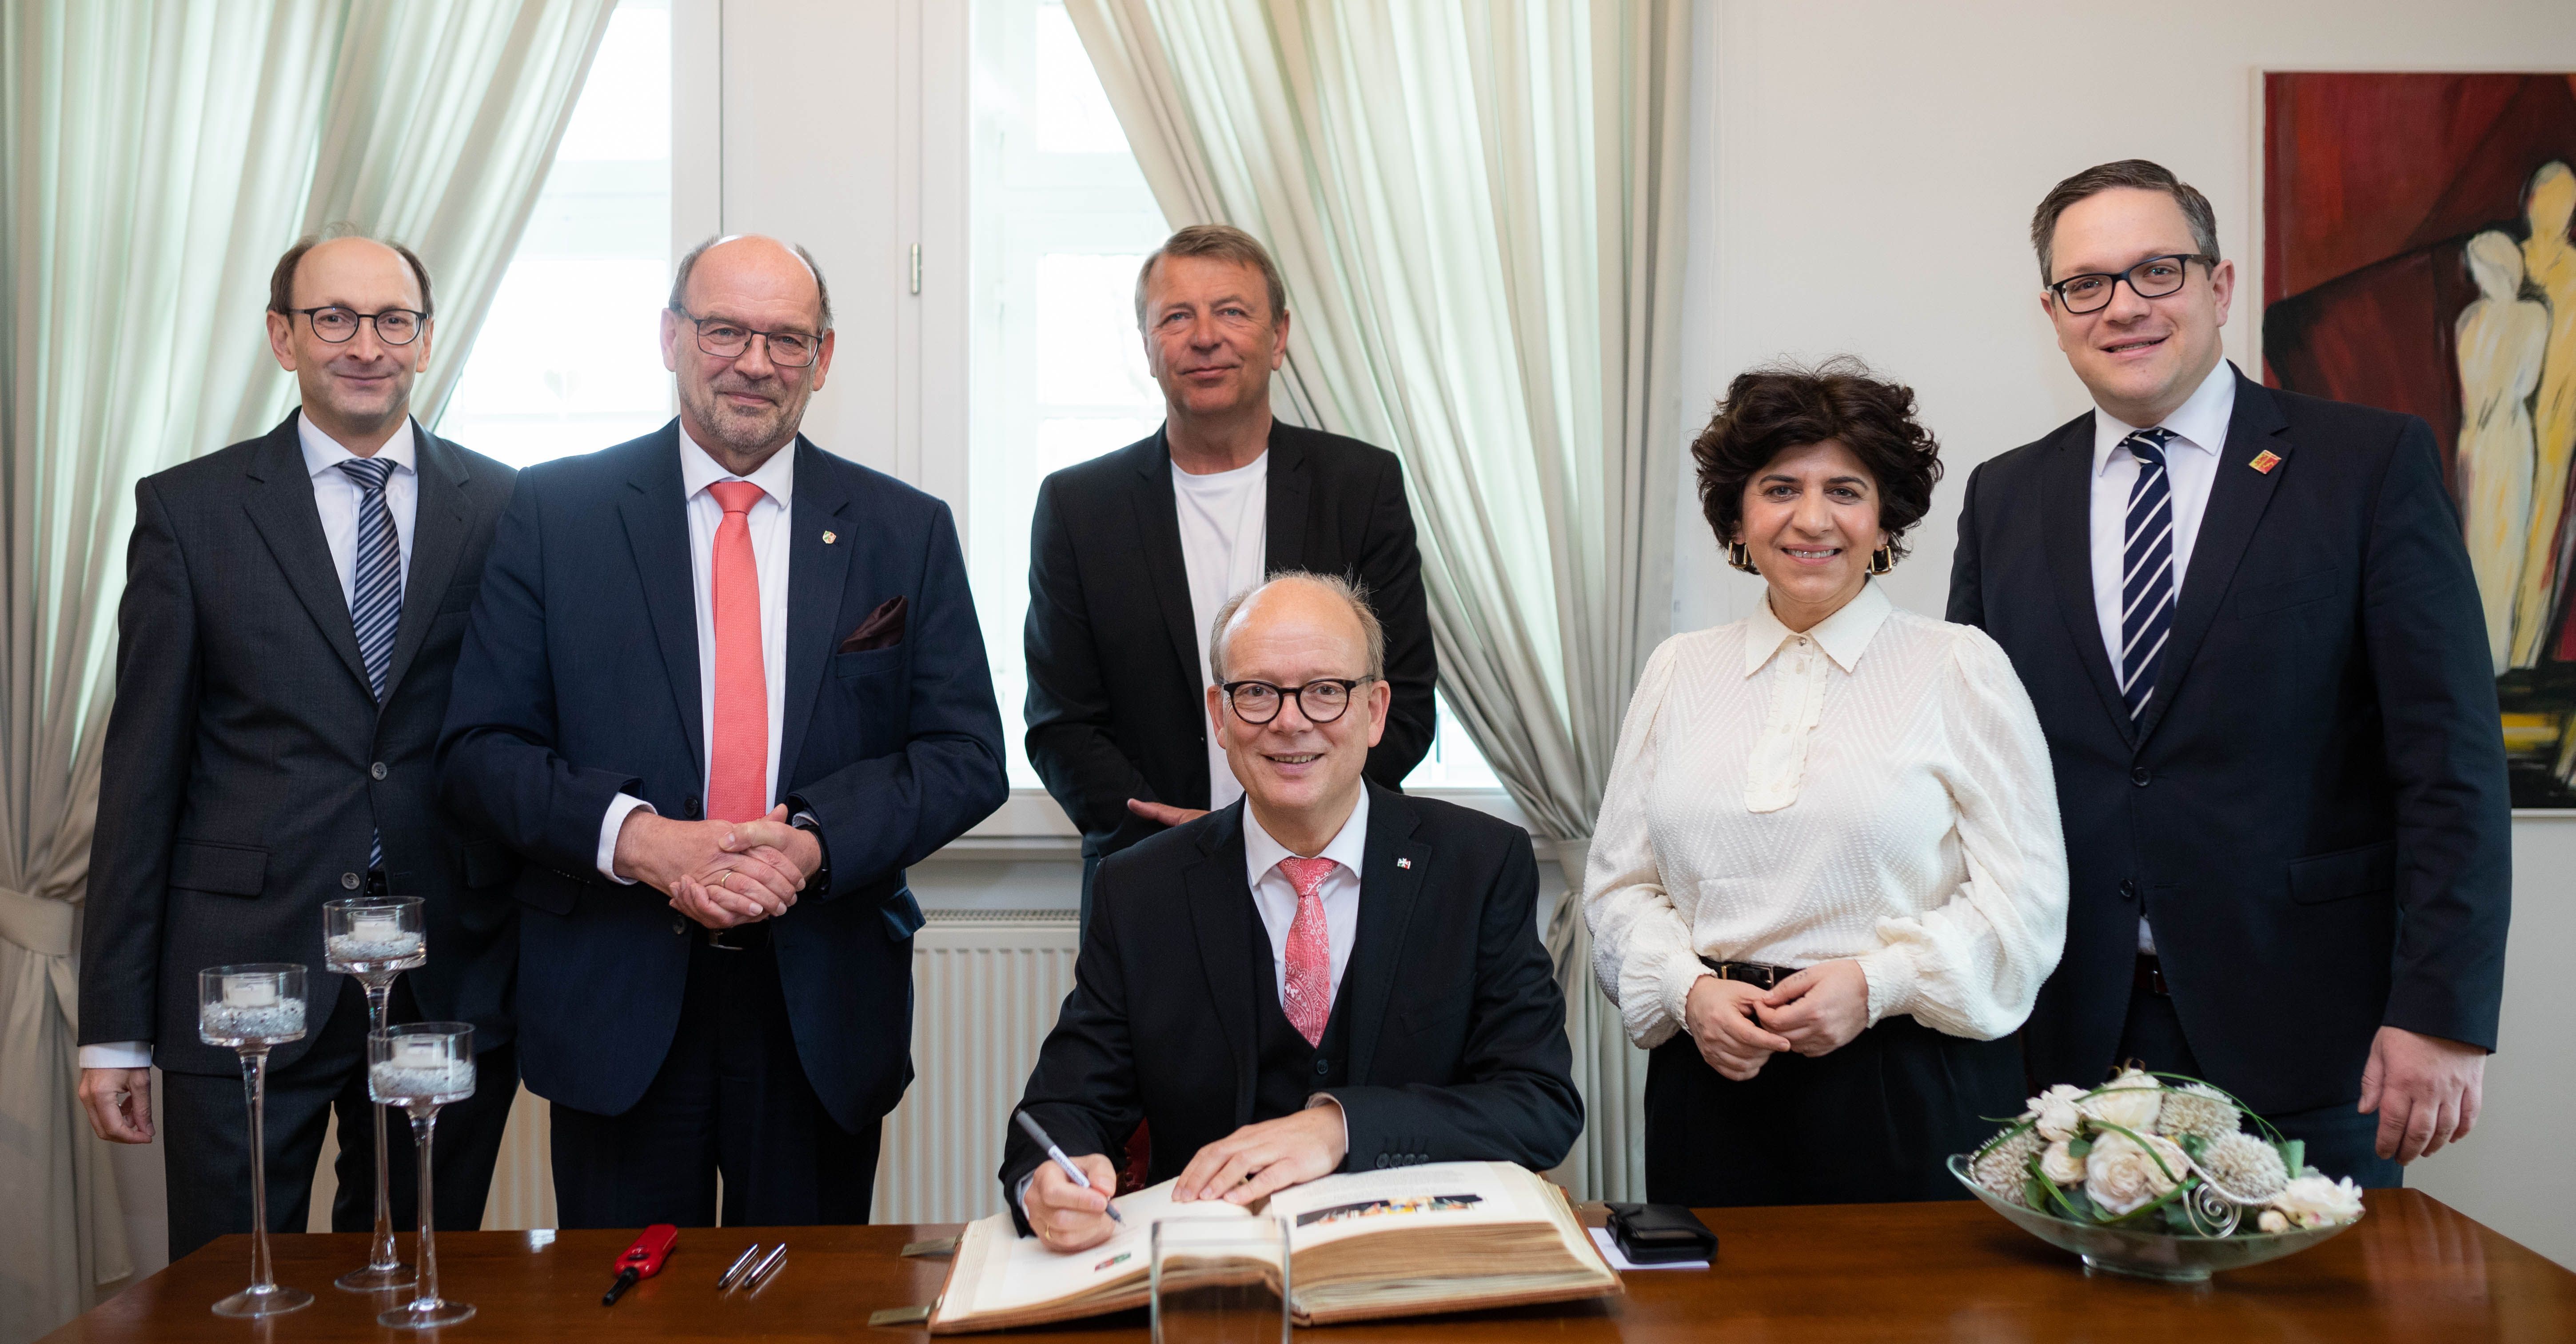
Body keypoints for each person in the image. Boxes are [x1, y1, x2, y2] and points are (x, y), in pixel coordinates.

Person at [1949, 159, 2512, 1186]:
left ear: (2218, 286)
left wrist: (2441, 1013)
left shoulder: (2366, 467)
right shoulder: (2004, 499)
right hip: (2059, 1039)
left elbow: (2451, 763)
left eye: (2156, 270)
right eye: (2088, 284)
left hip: (2310, 1038)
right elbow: (1964, 776)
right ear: (2054, 311)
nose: (2123, 306)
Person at [438, 234, 1008, 1228]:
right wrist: (642, 841)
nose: (755, 362)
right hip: (615, 996)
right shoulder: (555, 512)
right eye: (725, 331)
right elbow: (480, 750)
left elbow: (966, 757)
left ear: (824, 358)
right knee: (627, 1313)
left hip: (820, 1000)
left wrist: (812, 844)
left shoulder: (902, 528)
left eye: (787, 339)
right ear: (670, 338)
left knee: (803, 1316)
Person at [78, 232, 522, 1258]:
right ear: (283, 337)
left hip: (440, 974)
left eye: (392, 321)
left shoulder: (503, 508)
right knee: (240, 1285)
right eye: (334, 319)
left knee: (419, 1278)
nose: (365, 345)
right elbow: (140, 781)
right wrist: (115, 1027)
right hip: (243, 978)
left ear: (425, 341)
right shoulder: (187, 514)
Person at [1585, 362, 2068, 1207]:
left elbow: (2026, 908)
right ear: (1738, 517)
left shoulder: (1959, 666)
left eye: (1844, 490)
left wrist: (1877, 983)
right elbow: (1620, 890)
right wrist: (1685, 990)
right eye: (1779, 489)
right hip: (1712, 1076)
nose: (1811, 519)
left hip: (1908, 1075)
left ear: (1885, 521)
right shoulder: (1679, 670)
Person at [1006, 573, 1577, 1252]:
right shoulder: (1140, 890)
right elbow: (1058, 1112)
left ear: (1375, 710)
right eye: (1256, 692)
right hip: (1213, 1271)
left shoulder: (1477, 865)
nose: (1289, 719)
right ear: (1219, 715)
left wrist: (1341, 1127)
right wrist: (1051, 1180)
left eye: (1325, 691)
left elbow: (1538, 1105)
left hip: (1417, 1259)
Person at [1023, 224, 1438, 927]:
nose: (1205, 337)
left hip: (1334, 874)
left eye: (1233, 312)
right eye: (1176, 317)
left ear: (1278, 338)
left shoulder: (1360, 487)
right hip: (1147, 878)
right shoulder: (1078, 508)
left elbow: (1401, 698)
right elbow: (1061, 726)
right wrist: (1189, 838)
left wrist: (1291, 821)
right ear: (1147, 347)